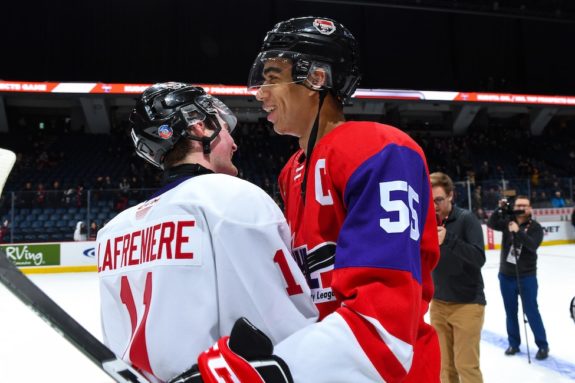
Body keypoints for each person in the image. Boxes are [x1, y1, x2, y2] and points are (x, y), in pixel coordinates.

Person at [211, 16, 438, 383]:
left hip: (380, 371)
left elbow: (387, 316)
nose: (259, 92)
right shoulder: (291, 170)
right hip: (320, 361)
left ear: (317, 78)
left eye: (272, 78)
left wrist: (279, 369)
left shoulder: (379, 148)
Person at [96, 82, 318, 382]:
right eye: (224, 128)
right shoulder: (232, 199)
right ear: (200, 127)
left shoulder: (113, 232)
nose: (234, 143)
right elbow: (283, 325)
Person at [430, 172, 486, 383]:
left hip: (467, 305)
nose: (434, 205)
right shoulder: (427, 222)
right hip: (438, 304)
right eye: (431, 200)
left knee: (467, 367)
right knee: (445, 368)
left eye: (439, 200)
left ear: (451, 195)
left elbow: (479, 258)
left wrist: (450, 239)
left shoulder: (466, 219)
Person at [487, 195, 549, 360]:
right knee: (510, 311)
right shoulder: (508, 221)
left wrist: (518, 231)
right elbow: (491, 223)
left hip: (527, 277)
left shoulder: (535, 227)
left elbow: (532, 245)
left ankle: (543, 345)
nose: (521, 208)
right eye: (518, 205)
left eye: (525, 205)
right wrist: (499, 208)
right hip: (506, 276)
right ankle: (513, 343)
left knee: (531, 310)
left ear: (530, 209)